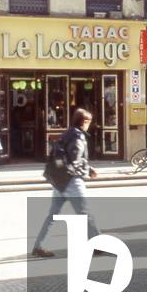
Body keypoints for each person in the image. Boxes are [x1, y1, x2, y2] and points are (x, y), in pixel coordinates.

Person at [32, 108, 99, 259]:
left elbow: (69, 157)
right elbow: (75, 160)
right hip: (72, 181)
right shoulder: (78, 136)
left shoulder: (67, 133)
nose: (90, 125)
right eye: (89, 122)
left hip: (59, 182)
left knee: (52, 215)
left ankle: (39, 246)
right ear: (84, 122)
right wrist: (88, 170)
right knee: (85, 214)